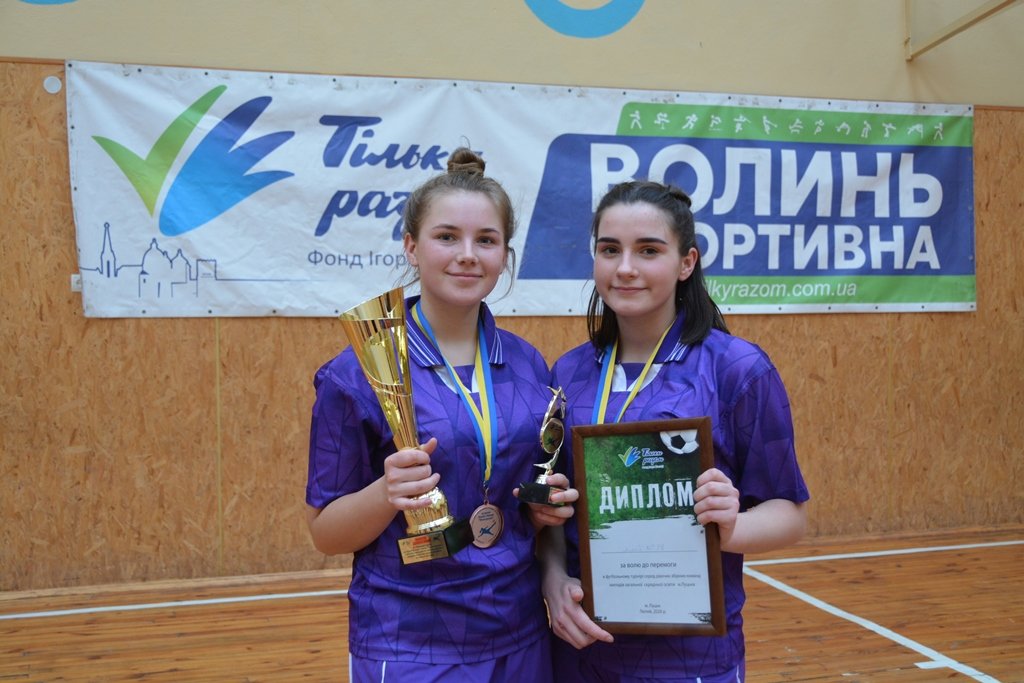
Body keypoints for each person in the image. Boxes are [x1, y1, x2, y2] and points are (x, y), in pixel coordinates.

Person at [305, 147, 576, 682]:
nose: (467, 255)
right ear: (411, 246)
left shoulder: (527, 364)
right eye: (447, 237)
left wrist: (543, 505)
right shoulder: (355, 373)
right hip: (409, 641)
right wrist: (385, 493)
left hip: (519, 631)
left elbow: (522, 500)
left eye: (486, 240)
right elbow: (325, 534)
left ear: (505, 255)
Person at [539, 180, 810, 682]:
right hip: (582, 647)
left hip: (691, 658)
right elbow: (552, 513)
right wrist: (553, 580)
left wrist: (731, 526)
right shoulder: (568, 373)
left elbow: (790, 515)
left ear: (686, 263)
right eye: (610, 250)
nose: (625, 267)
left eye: (648, 250)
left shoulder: (737, 369)